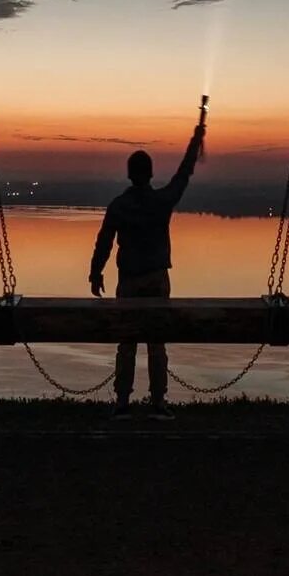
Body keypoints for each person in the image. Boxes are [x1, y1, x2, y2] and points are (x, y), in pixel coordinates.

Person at [89, 112, 205, 419]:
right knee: (156, 343)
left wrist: (95, 273)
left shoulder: (119, 205)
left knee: (127, 343)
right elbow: (183, 175)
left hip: (128, 281)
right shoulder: (161, 202)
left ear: (129, 175)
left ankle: (122, 404)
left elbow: (104, 242)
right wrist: (196, 139)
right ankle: (158, 403)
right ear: (150, 174)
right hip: (156, 279)